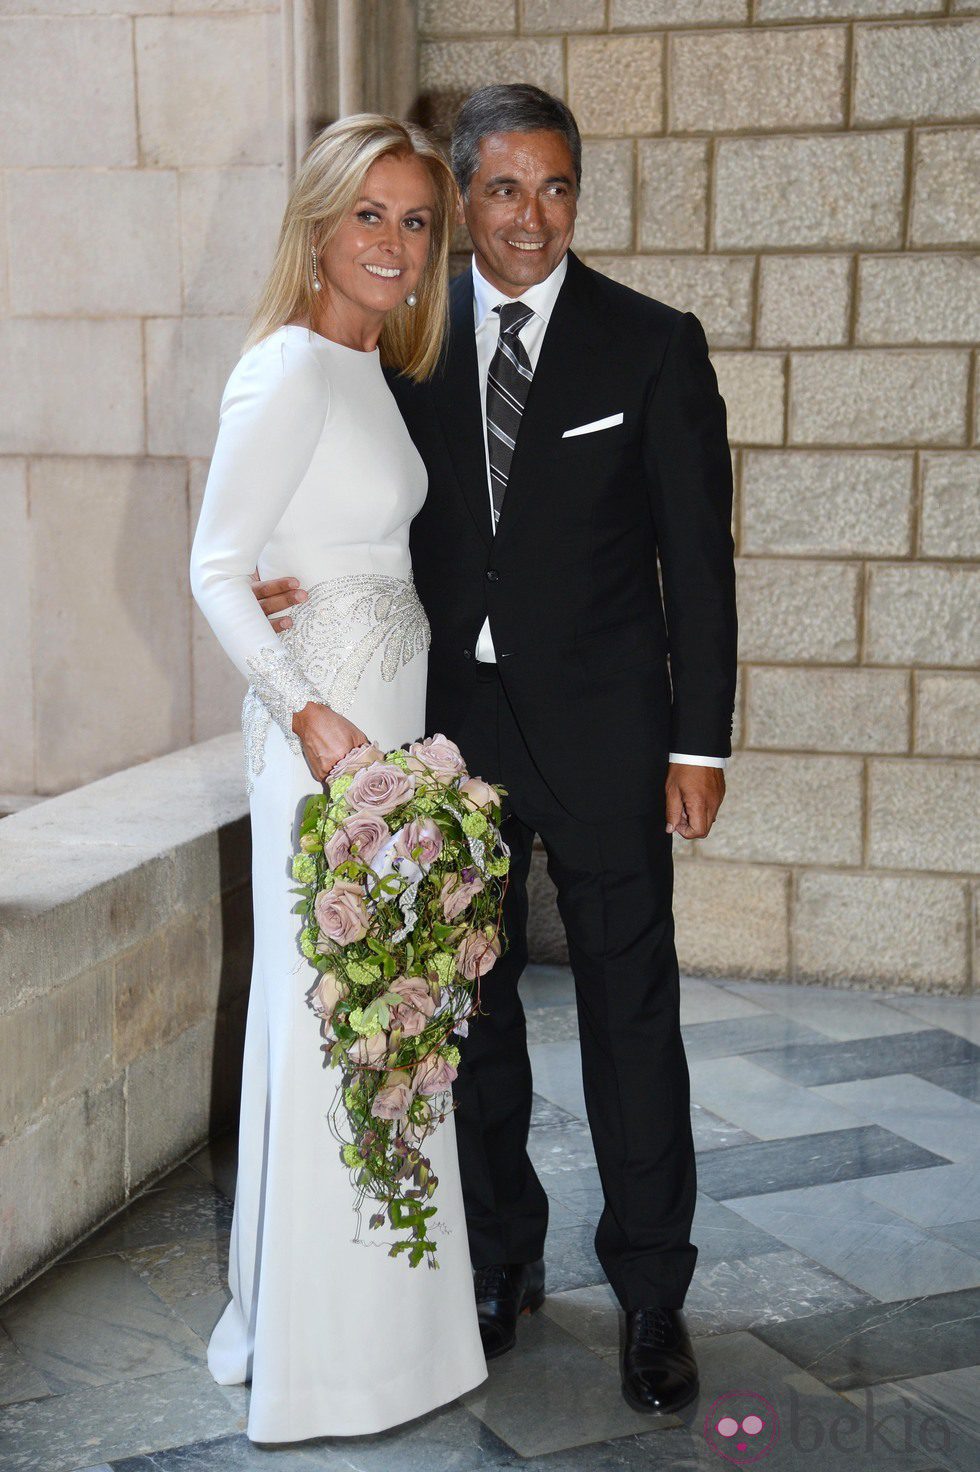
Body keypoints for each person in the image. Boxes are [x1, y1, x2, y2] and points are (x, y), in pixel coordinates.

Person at [254, 84, 737, 1417]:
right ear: (464, 199)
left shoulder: (651, 346)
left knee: (632, 1014)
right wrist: (278, 579)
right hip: (443, 737)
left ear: (578, 195)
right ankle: (498, 1260)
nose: (533, 218)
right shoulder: (400, 346)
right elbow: (316, 476)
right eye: (507, 190)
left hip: (610, 736)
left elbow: (697, 566)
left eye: (559, 188)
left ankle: (652, 1293)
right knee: (468, 1012)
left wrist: (703, 744)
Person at [189, 115, 486, 1445]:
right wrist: (307, 713)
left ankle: (376, 1333)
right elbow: (212, 566)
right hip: (324, 741)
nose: (396, 242)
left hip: (387, 730)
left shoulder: (366, 369)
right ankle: (327, 1363)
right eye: (370, 214)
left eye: (417, 221)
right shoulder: (289, 371)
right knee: (334, 1021)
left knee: (378, 1016)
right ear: (318, 226)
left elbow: (318, 545)